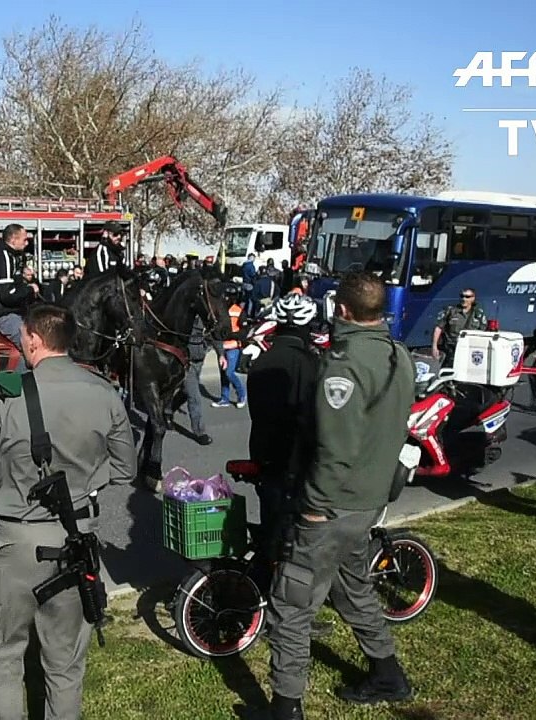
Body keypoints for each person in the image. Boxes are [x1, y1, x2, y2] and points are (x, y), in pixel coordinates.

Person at [0, 303, 136, 720]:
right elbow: (126, 469)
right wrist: (83, 480)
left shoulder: (7, 391)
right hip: (76, 542)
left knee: (1, 657)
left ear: (33, 339)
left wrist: (8, 474)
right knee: (66, 665)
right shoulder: (104, 390)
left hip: (17, 543)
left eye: (23, 337)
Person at [265, 272, 417, 719]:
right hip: (369, 501)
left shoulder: (344, 365)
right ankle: (388, 674)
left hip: (333, 506)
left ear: (343, 311)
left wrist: (314, 508)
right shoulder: (399, 355)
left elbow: (336, 449)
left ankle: (285, 707)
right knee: (353, 589)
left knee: (291, 604)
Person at [246, 293, 320, 572]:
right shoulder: (309, 364)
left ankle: (264, 571)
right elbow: (310, 418)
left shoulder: (261, 361)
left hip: (263, 452)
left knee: (270, 521)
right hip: (294, 460)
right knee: (291, 532)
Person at [0, 223, 39, 350]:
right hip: (0, 314)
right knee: (32, 347)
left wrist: (22, 278)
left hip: (9, 310)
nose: (27, 243)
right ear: (13, 239)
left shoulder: (10, 255)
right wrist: (30, 289)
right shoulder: (3, 257)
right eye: (24, 239)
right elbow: (7, 296)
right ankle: (23, 369)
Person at [431, 287, 488, 367]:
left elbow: (483, 332)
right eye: (462, 296)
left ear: (473, 298)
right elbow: (438, 328)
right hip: (451, 351)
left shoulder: (478, 314)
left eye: (467, 297)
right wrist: (434, 346)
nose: (464, 299)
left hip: (469, 350)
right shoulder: (450, 311)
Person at [212, 301, 248, 408]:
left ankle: (241, 394)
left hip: (233, 346)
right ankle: (224, 399)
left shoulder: (238, 311)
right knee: (223, 374)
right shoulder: (219, 310)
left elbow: (244, 332)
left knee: (229, 372)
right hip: (222, 347)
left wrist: (231, 335)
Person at [184, 315, 212, 446]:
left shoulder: (205, 316)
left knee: (185, 394)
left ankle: (167, 410)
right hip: (187, 362)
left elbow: (214, 335)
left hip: (199, 360)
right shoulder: (183, 316)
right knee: (194, 396)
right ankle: (199, 432)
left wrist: (221, 354)